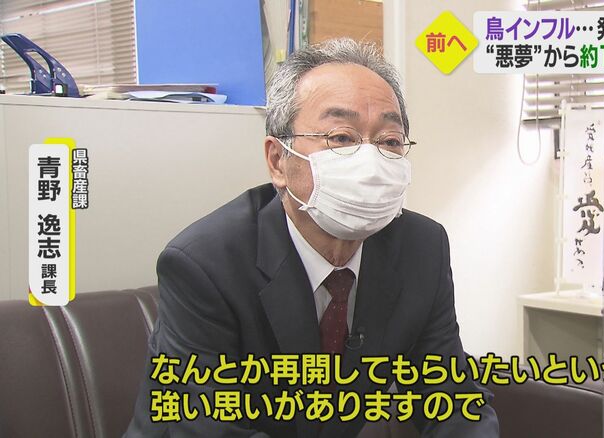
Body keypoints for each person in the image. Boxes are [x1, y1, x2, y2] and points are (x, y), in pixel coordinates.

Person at [125, 38, 499, 438]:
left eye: (390, 141)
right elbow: (206, 427)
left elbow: (451, 398)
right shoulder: (205, 263)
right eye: (341, 137)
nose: (370, 162)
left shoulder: (421, 248)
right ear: (278, 161)